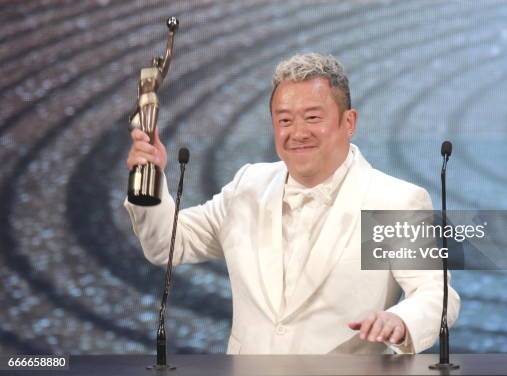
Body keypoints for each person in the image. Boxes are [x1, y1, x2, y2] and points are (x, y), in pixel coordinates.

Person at [124, 53, 460, 354]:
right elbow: (165, 244)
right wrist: (150, 176)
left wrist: (399, 322)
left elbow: (436, 296)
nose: (297, 132)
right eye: (284, 120)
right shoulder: (247, 186)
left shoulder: (394, 201)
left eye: (312, 118)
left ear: (349, 122)